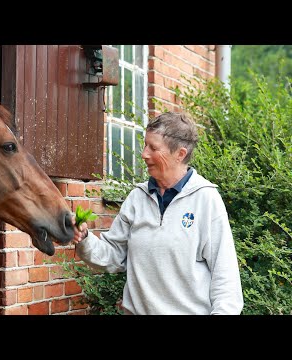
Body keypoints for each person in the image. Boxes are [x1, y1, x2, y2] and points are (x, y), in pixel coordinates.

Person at [72, 112, 243, 315]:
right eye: (145, 145)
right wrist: (84, 239)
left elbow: (225, 278)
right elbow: (112, 255)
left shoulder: (205, 199)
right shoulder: (137, 198)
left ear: (180, 154)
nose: (144, 154)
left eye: (153, 148)